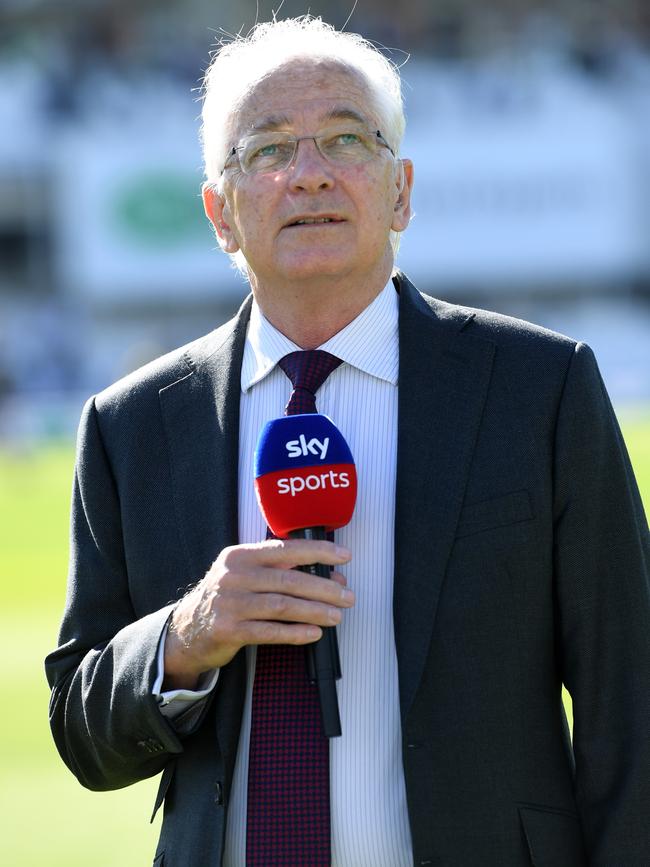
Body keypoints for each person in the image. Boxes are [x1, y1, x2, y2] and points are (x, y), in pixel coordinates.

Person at [46, 16, 650, 867]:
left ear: (400, 189)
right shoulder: (132, 425)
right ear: (221, 213)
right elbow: (81, 730)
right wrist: (186, 633)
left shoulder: (541, 390)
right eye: (268, 150)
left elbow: (630, 702)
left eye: (344, 139)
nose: (310, 174)